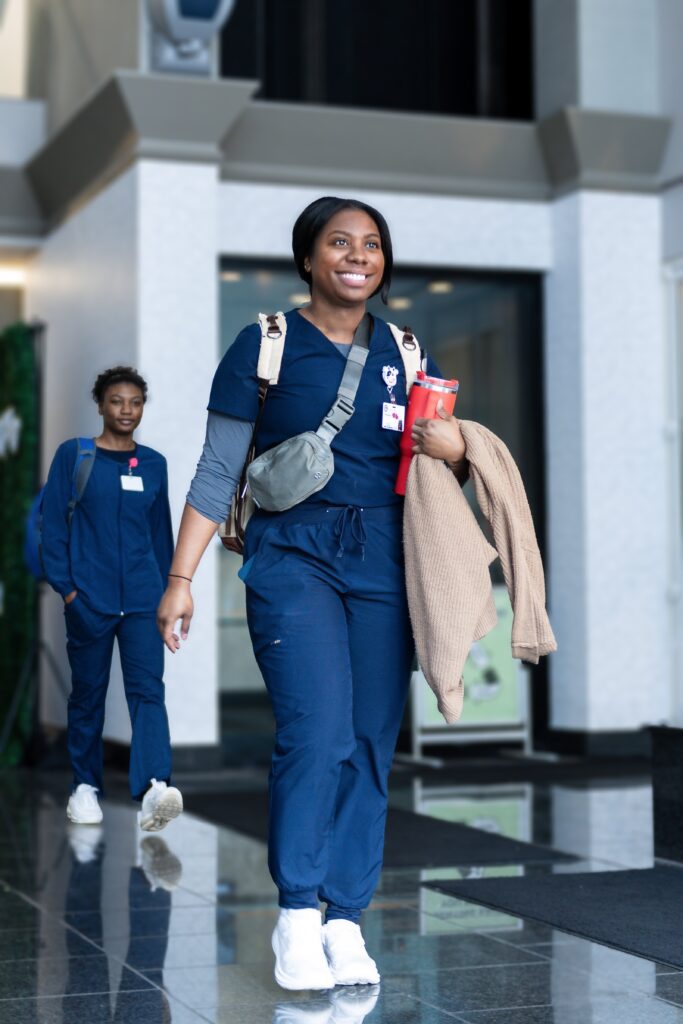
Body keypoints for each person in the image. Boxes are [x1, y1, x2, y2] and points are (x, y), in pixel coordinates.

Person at [157, 197, 467, 990]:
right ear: (307, 258)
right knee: (315, 732)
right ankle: (296, 914)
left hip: (383, 562)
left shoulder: (404, 347)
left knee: (369, 743)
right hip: (293, 554)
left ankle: (344, 918)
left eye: (372, 245)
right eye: (340, 242)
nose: (358, 256)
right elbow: (218, 468)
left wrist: (457, 446)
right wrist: (181, 578)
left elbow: (426, 466)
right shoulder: (264, 344)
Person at [41, 366, 183, 832]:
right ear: (100, 404)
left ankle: (154, 787)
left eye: (136, 402)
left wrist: (171, 595)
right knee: (88, 694)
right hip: (90, 599)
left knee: (148, 692)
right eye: (117, 401)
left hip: (144, 600)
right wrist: (68, 591)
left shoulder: (155, 464)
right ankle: (84, 787)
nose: (127, 410)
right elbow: (53, 528)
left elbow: (161, 535)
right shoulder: (75, 456)